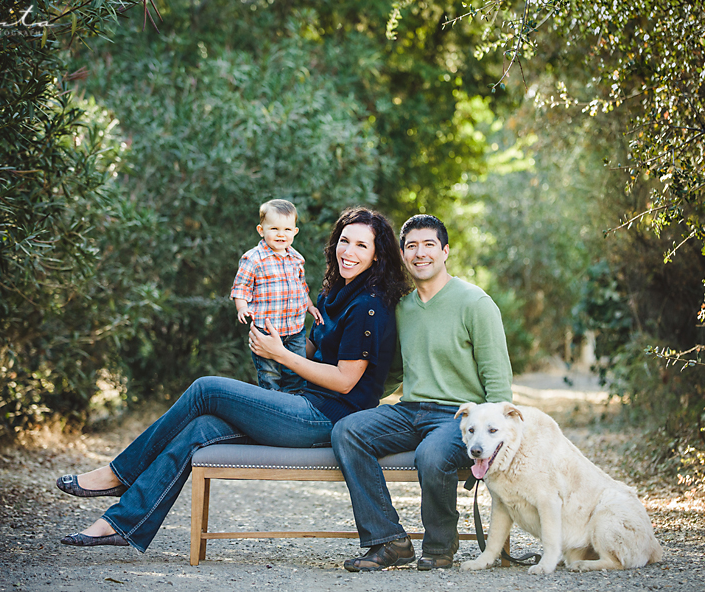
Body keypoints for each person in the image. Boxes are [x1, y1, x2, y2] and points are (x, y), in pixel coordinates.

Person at [55, 207, 411, 552]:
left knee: (206, 389)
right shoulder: (334, 292)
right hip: (302, 403)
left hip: (326, 418)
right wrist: (275, 335)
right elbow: (313, 352)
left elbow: (345, 381)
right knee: (201, 429)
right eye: (344, 241)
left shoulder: (369, 305)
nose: (348, 251)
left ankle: (119, 474)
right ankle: (120, 524)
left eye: (362, 246)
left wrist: (280, 354)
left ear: (377, 256)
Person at [332, 214, 513, 572]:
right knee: (347, 430)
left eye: (429, 244)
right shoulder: (401, 307)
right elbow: (394, 370)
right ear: (402, 254)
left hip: (460, 418)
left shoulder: (475, 303)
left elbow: (498, 384)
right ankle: (389, 541)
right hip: (409, 409)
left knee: (432, 455)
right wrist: (350, 395)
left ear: (445, 251)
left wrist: (493, 439)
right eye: (411, 246)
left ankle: (440, 546)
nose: (420, 253)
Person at [231, 199, 322, 393]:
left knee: (296, 374)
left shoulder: (297, 259)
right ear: (261, 230)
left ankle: (291, 407)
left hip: (295, 330)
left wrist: (310, 307)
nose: (281, 234)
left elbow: (301, 288)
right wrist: (242, 307)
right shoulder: (253, 259)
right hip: (266, 331)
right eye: (274, 229)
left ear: (295, 232)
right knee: (269, 375)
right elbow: (241, 287)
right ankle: (270, 407)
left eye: (287, 230)